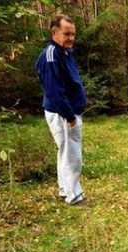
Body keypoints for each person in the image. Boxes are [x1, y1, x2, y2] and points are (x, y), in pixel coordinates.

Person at [36, 14, 86, 205]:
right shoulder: (51, 56)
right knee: (72, 155)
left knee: (65, 152)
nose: (71, 38)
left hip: (68, 112)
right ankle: (73, 195)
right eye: (67, 34)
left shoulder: (64, 52)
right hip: (63, 114)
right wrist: (70, 116)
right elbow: (54, 91)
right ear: (54, 32)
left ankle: (66, 190)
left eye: (73, 34)